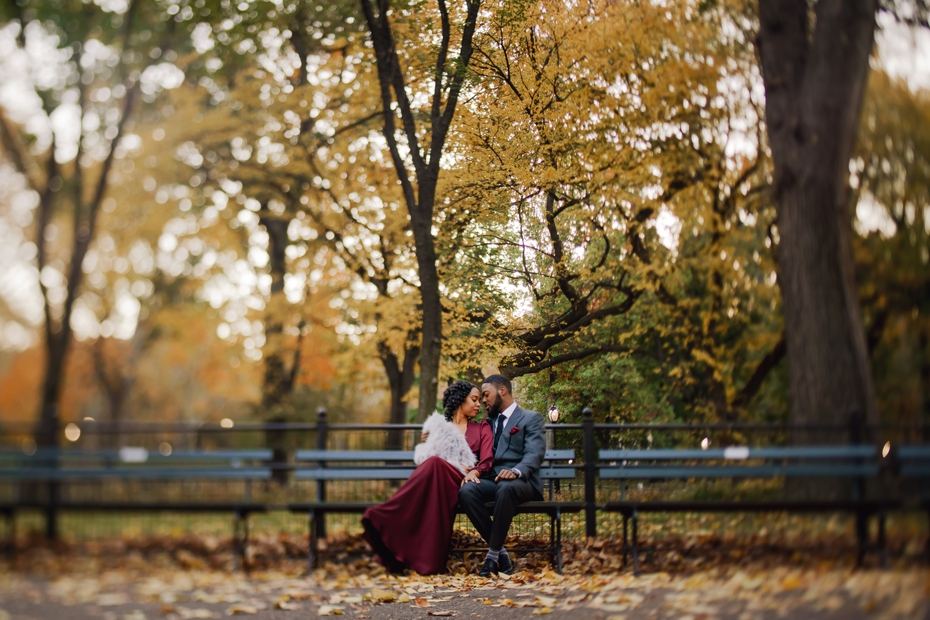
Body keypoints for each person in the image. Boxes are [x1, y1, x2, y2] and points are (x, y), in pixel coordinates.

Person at [362, 380, 493, 574]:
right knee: (434, 463)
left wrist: (474, 471)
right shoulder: (439, 429)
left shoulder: (482, 427)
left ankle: (386, 513)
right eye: (474, 399)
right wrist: (428, 442)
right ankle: (412, 552)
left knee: (435, 463)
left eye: (479, 401)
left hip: (464, 481)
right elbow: (426, 457)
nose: (478, 404)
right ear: (459, 400)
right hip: (437, 482)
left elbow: (487, 460)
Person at [458, 374, 546, 577]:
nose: (483, 401)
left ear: (503, 391)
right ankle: (501, 554)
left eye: (486, 395)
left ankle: (491, 557)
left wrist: (515, 471)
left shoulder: (531, 418)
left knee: (506, 487)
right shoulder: (488, 423)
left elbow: (535, 453)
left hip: (522, 482)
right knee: (467, 490)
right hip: (492, 479)